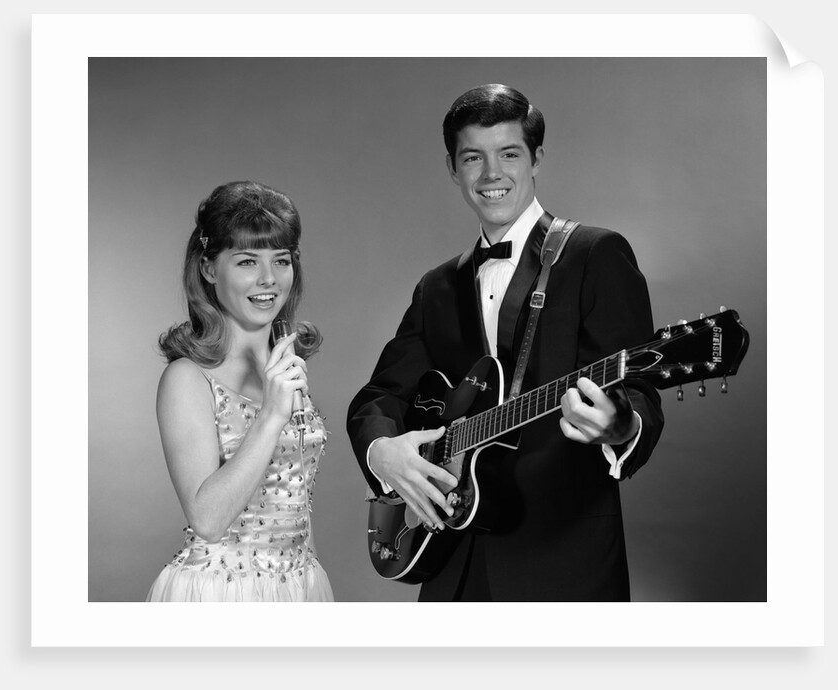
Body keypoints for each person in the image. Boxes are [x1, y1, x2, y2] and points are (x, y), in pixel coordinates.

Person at [346, 84, 664, 602]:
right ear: (453, 168)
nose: (492, 175)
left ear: (536, 158)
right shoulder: (436, 287)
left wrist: (621, 424)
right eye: (473, 157)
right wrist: (383, 453)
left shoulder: (596, 255)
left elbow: (641, 396)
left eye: (509, 154)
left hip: (564, 561)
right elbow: (377, 399)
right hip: (452, 560)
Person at [147, 181, 333, 602]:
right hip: (221, 594)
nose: (268, 279)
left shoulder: (285, 366)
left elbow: (295, 498)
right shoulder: (187, 377)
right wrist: (271, 415)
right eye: (247, 261)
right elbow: (208, 520)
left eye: (281, 260)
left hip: (300, 585)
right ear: (209, 269)